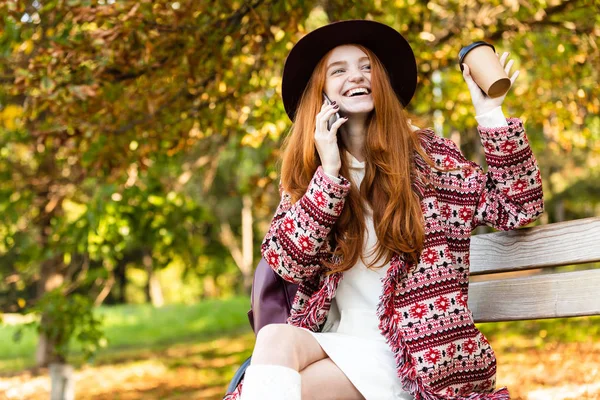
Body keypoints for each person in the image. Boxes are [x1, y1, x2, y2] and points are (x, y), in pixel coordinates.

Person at [226, 19, 544, 400]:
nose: (356, 76)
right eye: (338, 70)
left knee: (278, 392)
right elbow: (287, 262)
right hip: (340, 341)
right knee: (275, 339)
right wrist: (328, 175)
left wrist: (490, 112)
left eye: (366, 66)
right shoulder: (310, 176)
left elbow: (518, 206)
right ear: (321, 91)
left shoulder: (430, 160)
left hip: (417, 354)